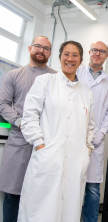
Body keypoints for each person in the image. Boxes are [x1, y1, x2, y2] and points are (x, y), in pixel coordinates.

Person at [17, 41, 94, 222]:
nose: (70, 59)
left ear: (81, 60)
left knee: (69, 211)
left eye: (75, 55)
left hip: (76, 161)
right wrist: (39, 144)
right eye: (66, 54)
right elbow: (29, 117)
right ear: (59, 57)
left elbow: (90, 126)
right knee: (40, 211)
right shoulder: (45, 81)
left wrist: (87, 150)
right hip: (47, 158)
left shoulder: (86, 93)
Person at [0, 36, 56, 222]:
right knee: (13, 194)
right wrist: (19, 122)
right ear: (30, 48)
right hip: (19, 140)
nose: (41, 50)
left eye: (46, 48)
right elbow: (3, 103)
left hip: (46, 143)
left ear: (50, 53)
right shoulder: (14, 75)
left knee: (40, 194)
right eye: (38, 46)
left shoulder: (56, 77)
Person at [77, 41, 108, 222]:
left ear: (106, 56)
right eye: (95, 50)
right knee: (70, 183)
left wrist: (100, 135)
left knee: (92, 189)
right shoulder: (77, 72)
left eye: (102, 51)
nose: (97, 53)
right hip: (73, 135)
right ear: (89, 52)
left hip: (95, 141)